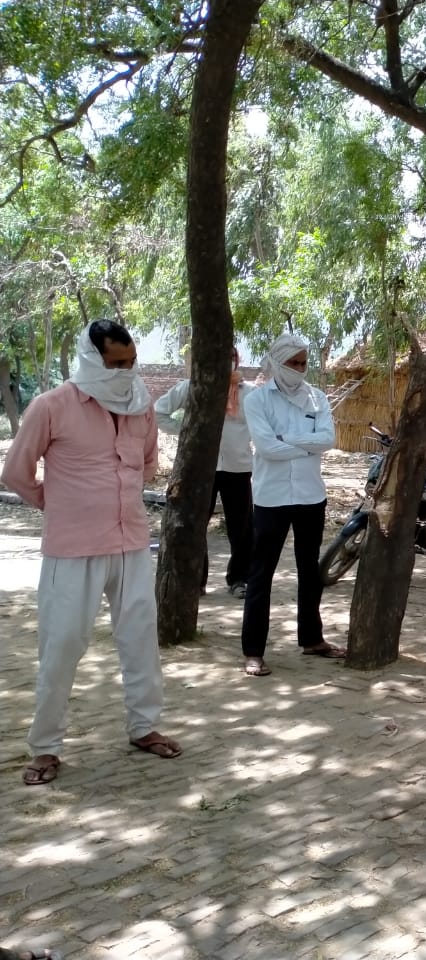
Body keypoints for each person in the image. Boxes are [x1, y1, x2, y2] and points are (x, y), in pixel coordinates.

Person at [1, 320, 182, 786]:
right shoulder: (51, 406)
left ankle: (144, 727)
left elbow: (146, 466)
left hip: (132, 542)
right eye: (115, 363)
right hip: (73, 546)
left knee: (140, 639)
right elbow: (16, 473)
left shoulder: (140, 406)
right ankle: (45, 747)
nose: (125, 371)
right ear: (90, 357)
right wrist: (55, 503)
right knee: (61, 645)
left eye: (130, 362)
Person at [239, 332, 343, 676]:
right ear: (276, 362)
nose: (298, 369)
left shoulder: (317, 398)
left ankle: (312, 638)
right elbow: (266, 448)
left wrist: (288, 440)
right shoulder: (257, 400)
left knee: (309, 571)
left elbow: (328, 439)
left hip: (311, 495)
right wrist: (306, 445)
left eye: (303, 363)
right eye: (292, 363)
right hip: (271, 498)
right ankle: (253, 651)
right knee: (261, 574)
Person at [154, 348, 255, 597]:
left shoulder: (250, 393)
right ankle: (196, 580)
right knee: (195, 524)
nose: (226, 364)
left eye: (231, 359)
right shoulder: (189, 387)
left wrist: (243, 441)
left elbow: (264, 424)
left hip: (237, 468)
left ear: (236, 362)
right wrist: (186, 429)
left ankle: (239, 579)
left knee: (242, 528)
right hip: (199, 467)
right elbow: (158, 412)